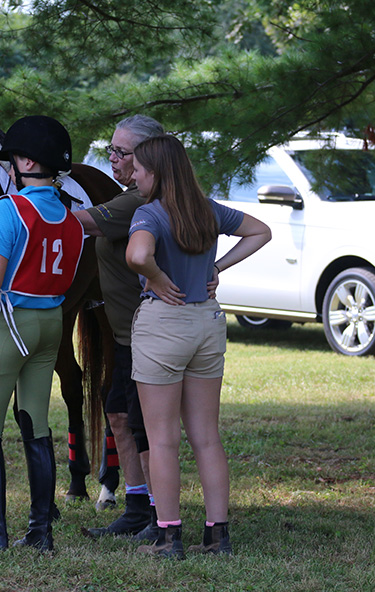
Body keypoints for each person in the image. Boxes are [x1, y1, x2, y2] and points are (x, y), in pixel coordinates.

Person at [125, 134, 271, 559]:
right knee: (206, 437)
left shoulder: (148, 214)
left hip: (164, 325)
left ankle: (170, 537)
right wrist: (217, 267)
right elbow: (260, 231)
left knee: (163, 439)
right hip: (207, 322)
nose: (133, 176)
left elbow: (136, 255)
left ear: (156, 172)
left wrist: (153, 275)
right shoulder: (206, 210)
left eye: (138, 169)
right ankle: (216, 535)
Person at [0, 115, 84, 553]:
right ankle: (40, 533)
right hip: (51, 323)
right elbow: (27, 260)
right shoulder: (70, 219)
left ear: (26, 162)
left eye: (12, 160)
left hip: (13, 325)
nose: (9, 168)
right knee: (35, 423)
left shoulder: (9, 209)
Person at [75, 115, 165, 540]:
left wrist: (8, 217)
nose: (112, 159)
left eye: (121, 152)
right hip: (125, 335)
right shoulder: (132, 196)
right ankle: (136, 503)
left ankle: (159, 515)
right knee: (118, 412)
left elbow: (81, 224)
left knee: (143, 425)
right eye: (110, 150)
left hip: (146, 335)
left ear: (147, 156)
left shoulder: (137, 203)